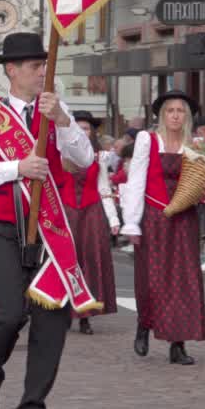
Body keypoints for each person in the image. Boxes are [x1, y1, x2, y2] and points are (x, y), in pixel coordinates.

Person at [0, 32, 95, 409]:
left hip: (50, 231)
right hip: (2, 227)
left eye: (44, 66)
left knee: (52, 321)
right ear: (12, 71)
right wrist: (16, 167)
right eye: (36, 67)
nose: (42, 73)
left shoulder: (57, 110)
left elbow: (83, 161)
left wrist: (64, 123)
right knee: (8, 315)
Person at [119, 91, 205, 366]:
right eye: (170, 111)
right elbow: (136, 180)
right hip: (154, 215)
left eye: (181, 111)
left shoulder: (197, 145)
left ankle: (178, 344)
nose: (176, 115)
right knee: (152, 278)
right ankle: (144, 325)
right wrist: (132, 222)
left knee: (184, 281)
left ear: (187, 117)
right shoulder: (147, 140)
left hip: (185, 220)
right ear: (162, 115)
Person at [61, 110, 121, 335]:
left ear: (92, 132)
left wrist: (113, 218)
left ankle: (85, 315)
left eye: (87, 128)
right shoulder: (60, 153)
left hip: (91, 213)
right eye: (80, 128)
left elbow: (104, 189)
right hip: (66, 212)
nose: (84, 132)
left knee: (90, 262)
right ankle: (64, 310)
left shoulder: (100, 157)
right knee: (66, 262)